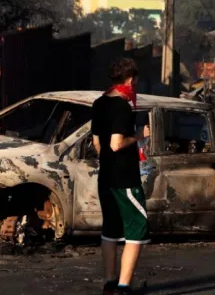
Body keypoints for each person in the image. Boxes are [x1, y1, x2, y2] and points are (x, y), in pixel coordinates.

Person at [91, 57, 150, 295]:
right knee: (138, 227)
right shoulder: (122, 107)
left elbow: (98, 143)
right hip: (125, 179)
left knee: (111, 229)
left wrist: (108, 162)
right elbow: (116, 143)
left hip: (105, 176)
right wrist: (138, 135)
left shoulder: (99, 103)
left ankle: (110, 282)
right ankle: (124, 286)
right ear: (130, 79)